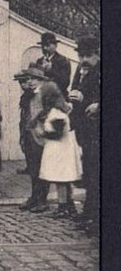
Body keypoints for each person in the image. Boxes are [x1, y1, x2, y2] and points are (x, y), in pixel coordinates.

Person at [37, 80, 82, 217]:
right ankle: (70, 206)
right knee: (64, 179)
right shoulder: (62, 109)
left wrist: (42, 132)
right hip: (63, 148)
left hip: (59, 149)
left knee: (60, 179)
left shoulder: (57, 112)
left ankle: (63, 207)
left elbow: (57, 133)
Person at [69, 36, 100, 231]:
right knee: (89, 173)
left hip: (97, 129)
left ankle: (97, 220)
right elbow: (74, 89)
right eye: (81, 55)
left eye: (88, 55)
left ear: (97, 54)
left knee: (97, 174)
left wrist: (96, 103)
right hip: (84, 130)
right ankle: (88, 213)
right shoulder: (80, 70)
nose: (83, 60)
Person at [18, 66, 51, 212]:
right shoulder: (28, 95)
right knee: (32, 168)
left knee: (41, 168)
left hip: (40, 136)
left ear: (42, 80)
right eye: (29, 79)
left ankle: (42, 200)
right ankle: (34, 197)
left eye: (35, 79)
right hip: (28, 135)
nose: (31, 82)